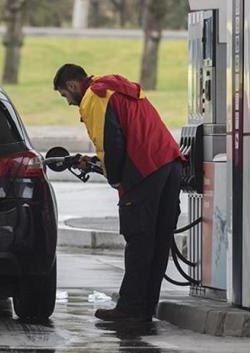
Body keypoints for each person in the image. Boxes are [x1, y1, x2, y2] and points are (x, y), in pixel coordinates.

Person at [53, 63, 185, 322]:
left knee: (138, 241)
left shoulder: (94, 98)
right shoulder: (115, 87)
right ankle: (146, 307)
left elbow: (112, 142)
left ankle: (130, 308)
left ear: (71, 85)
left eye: (64, 96)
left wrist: (115, 179)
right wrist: (94, 161)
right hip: (169, 164)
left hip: (144, 171)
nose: (68, 103)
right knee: (157, 242)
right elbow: (125, 135)